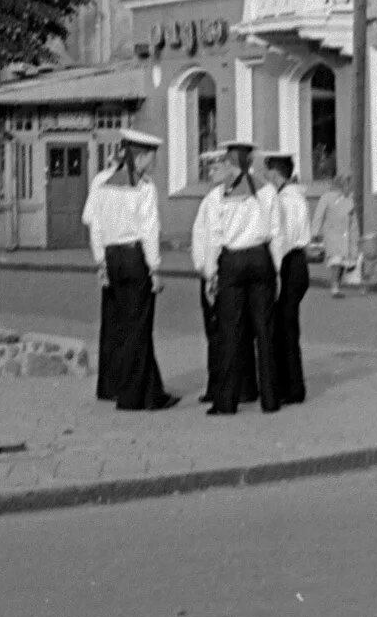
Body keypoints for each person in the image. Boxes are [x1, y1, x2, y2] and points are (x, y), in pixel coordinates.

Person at [82, 131, 176, 412]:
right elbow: (149, 231)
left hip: (111, 256)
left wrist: (100, 262)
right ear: (141, 156)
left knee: (118, 324)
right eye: (151, 157)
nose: (153, 163)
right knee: (138, 326)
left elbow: (93, 224)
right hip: (135, 257)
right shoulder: (144, 187)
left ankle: (126, 388)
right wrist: (155, 268)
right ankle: (134, 396)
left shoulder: (102, 182)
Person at [192, 144, 281, 416]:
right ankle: (270, 398)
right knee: (265, 331)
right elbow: (277, 233)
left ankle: (226, 401)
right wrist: (275, 269)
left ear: (234, 164)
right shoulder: (266, 190)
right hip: (260, 259)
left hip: (231, 262)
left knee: (230, 331)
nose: (225, 168)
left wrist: (211, 275)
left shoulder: (220, 195)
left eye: (227, 163)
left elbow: (214, 239)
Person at [264, 153, 313, 404]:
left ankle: (292, 387)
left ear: (274, 173)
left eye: (267, 173)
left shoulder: (286, 200)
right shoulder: (295, 196)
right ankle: (290, 384)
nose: (265, 178)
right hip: (297, 263)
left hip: (289, 263)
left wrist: (272, 265)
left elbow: (284, 237)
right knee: (286, 326)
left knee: (285, 328)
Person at [311, 173, 361, 298]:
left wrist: (356, 236)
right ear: (342, 185)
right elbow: (319, 215)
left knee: (343, 262)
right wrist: (315, 232)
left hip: (346, 235)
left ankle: (337, 284)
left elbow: (353, 219)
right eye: (349, 185)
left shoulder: (349, 199)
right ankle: (335, 288)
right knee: (336, 261)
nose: (351, 188)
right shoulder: (327, 197)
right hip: (332, 234)